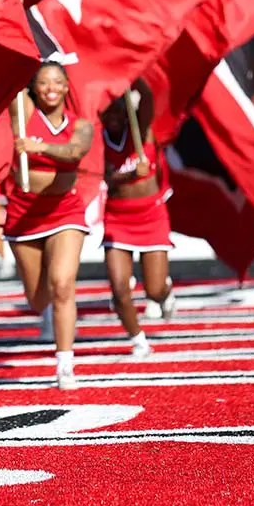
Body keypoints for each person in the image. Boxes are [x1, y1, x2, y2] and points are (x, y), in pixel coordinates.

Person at [3, 60, 94, 390]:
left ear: (67, 86)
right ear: (33, 89)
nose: (51, 88)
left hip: (65, 211)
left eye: (57, 82)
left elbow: (74, 152)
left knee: (62, 284)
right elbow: (12, 75)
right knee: (38, 299)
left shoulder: (80, 125)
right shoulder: (23, 114)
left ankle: (65, 365)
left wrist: (40, 147)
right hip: (24, 214)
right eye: (43, 83)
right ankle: (49, 317)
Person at [100, 81, 176, 358]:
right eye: (108, 115)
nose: (115, 119)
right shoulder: (99, 140)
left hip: (151, 215)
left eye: (119, 112)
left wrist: (133, 74)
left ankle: (166, 293)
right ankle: (139, 341)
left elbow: (147, 95)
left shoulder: (142, 131)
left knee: (153, 290)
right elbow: (104, 177)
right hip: (117, 218)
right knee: (119, 290)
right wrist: (131, 175)